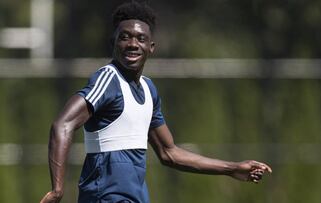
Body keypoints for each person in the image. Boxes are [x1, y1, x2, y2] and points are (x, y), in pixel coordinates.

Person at [40, 1, 272, 203]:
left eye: (140, 39)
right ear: (114, 42)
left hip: (136, 196)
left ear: (151, 47)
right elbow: (63, 124)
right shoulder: (108, 79)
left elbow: (169, 153)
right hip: (106, 196)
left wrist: (231, 169)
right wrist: (58, 189)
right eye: (125, 37)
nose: (132, 44)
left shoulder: (148, 89)